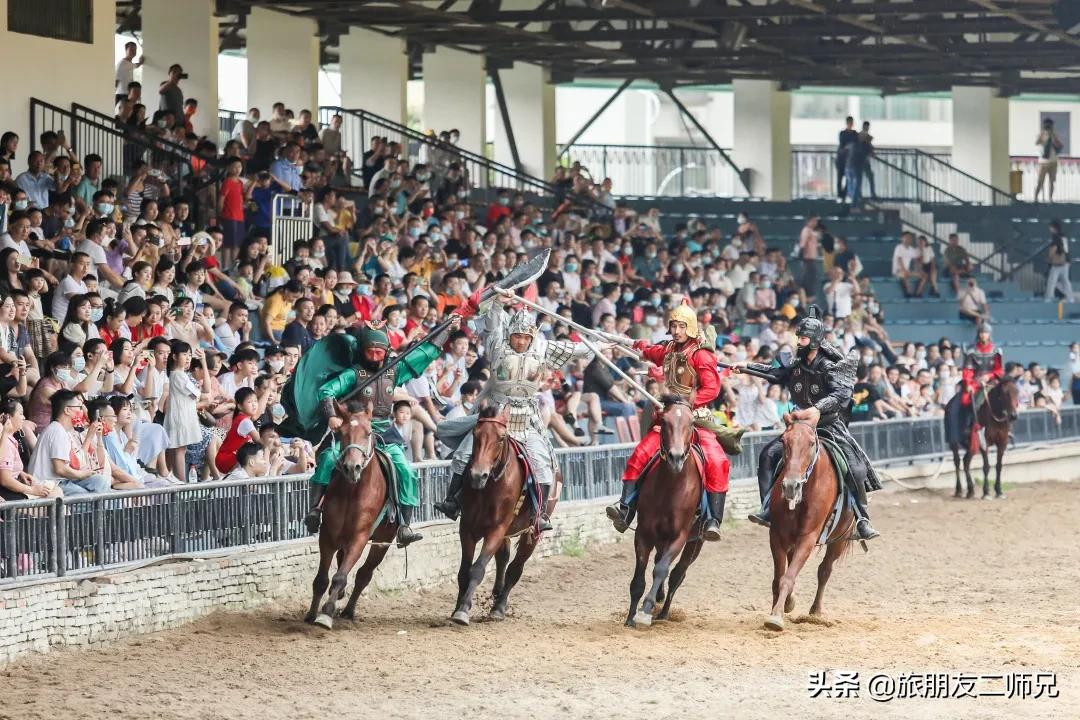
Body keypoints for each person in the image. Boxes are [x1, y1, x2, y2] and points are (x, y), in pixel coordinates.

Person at [279, 310, 467, 547]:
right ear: (362, 350)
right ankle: (315, 510)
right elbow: (326, 392)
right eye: (371, 352)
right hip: (352, 430)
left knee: (406, 471)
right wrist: (330, 417)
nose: (376, 357)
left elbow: (423, 354)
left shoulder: (395, 370)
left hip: (383, 431)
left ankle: (405, 525)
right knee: (327, 459)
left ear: (387, 350)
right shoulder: (352, 374)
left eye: (380, 352)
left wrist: (448, 330)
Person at [435, 293, 598, 532]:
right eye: (517, 336)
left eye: (525, 337)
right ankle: (452, 502)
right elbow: (490, 323)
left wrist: (601, 345)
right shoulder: (498, 346)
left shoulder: (542, 348)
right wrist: (499, 301)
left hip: (527, 417)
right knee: (463, 455)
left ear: (532, 336)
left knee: (543, 464)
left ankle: (540, 514)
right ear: (510, 334)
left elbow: (576, 350)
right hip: (496, 413)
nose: (521, 341)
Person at [741, 305, 881, 541]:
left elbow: (841, 394)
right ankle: (767, 508)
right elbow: (775, 374)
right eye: (799, 337)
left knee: (855, 468)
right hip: (799, 428)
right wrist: (745, 367)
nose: (799, 341)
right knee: (767, 455)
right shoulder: (796, 363)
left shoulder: (828, 366)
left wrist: (816, 409)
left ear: (815, 340)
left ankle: (862, 518)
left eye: (803, 337)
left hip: (828, 425)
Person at [604, 300, 731, 541]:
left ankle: (713, 519)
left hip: (695, 417)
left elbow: (712, 389)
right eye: (673, 325)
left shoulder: (702, 356)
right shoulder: (670, 350)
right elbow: (650, 352)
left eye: (681, 326)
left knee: (717, 460)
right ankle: (625, 508)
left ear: (691, 328)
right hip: (669, 419)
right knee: (640, 454)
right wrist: (632, 344)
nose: (676, 330)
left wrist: (686, 404)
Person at [27, 390, 112, 495]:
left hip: (61, 480)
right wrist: (81, 474)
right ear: (67, 410)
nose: (82, 412)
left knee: (99, 481)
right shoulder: (57, 431)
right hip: (48, 484)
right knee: (83, 495)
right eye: (79, 408)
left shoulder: (62, 430)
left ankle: (106, 511)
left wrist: (92, 436)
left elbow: (76, 462)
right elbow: (60, 469)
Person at [947, 324, 1004, 449]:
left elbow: (999, 370)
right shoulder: (971, 350)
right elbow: (967, 370)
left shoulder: (996, 351)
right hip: (975, 382)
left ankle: (1005, 426)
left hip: (992, 382)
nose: (983, 335)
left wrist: (988, 376)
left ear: (990, 334)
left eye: (986, 332)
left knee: (1006, 398)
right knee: (967, 401)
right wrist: (969, 384)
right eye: (981, 332)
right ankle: (971, 427)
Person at [1034, 117, 1064, 203]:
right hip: (1042, 163)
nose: (1048, 127)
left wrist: (1053, 137)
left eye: (1050, 125)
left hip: (1053, 162)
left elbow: (1059, 146)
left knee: (1052, 181)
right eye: (1047, 125)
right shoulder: (1041, 135)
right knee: (1040, 182)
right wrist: (1043, 136)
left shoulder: (1055, 135)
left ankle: (1050, 198)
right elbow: (1037, 142)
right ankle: (1035, 198)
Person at [1045, 230, 1074, 302]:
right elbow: (1067, 253)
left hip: (1056, 265)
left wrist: (1049, 258)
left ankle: (1049, 298)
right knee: (1066, 281)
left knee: (1052, 281)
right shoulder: (1065, 242)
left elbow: (1052, 251)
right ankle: (1070, 298)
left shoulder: (1056, 241)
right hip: (1065, 263)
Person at [836, 116, 858, 200]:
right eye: (849, 123)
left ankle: (845, 194)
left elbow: (855, 144)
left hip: (850, 160)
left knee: (848, 178)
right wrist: (848, 146)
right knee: (840, 177)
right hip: (841, 159)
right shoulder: (842, 133)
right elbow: (842, 145)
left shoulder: (854, 134)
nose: (850, 125)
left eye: (851, 123)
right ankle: (839, 194)